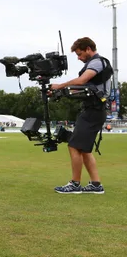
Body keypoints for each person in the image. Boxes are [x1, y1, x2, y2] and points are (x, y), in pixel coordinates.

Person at [51, 37, 113, 194]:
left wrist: (60, 85)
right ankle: (96, 185)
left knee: (74, 145)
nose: (78, 58)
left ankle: (75, 184)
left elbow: (82, 81)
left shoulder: (97, 62)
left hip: (94, 111)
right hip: (93, 110)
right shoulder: (93, 64)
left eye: (79, 54)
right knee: (85, 149)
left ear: (88, 49)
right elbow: (81, 88)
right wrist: (59, 91)